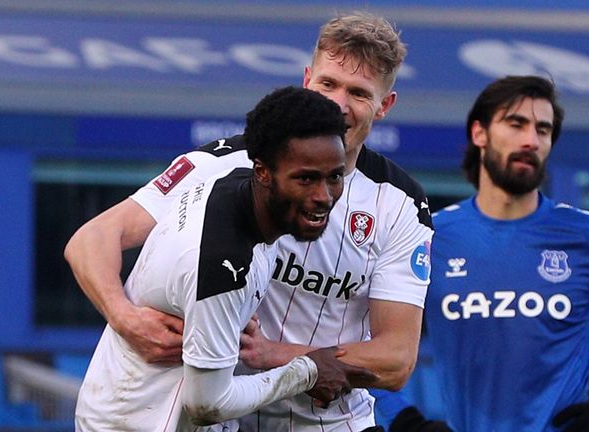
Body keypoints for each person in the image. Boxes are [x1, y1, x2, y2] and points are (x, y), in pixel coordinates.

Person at [65, 11, 433, 432]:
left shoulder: (400, 204)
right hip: (215, 417)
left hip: (328, 422)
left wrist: (277, 354)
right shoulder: (223, 164)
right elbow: (92, 238)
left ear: (384, 106)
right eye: (328, 84)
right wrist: (125, 318)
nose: (338, 105)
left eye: (359, 93)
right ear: (306, 79)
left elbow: (396, 360)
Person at [74, 86, 379, 431]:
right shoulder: (223, 264)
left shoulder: (237, 190)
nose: (323, 196)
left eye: (334, 177)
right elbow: (208, 403)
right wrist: (308, 370)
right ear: (263, 172)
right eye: (305, 179)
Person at [419, 75, 589, 432]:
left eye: (543, 130)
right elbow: (363, 335)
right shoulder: (430, 238)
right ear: (479, 133)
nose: (531, 140)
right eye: (516, 124)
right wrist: (409, 423)